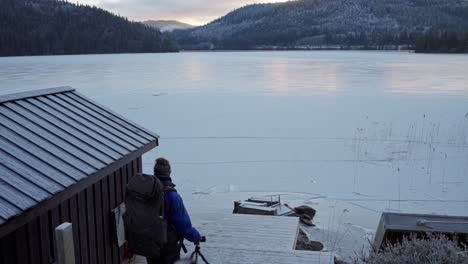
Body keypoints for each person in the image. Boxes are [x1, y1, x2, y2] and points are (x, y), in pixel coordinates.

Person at [147, 157, 205, 264]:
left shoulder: (147, 192)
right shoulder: (171, 196)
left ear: (155, 172)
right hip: (167, 246)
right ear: (169, 173)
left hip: (149, 242)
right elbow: (183, 225)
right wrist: (196, 237)